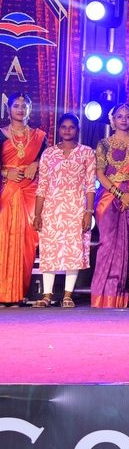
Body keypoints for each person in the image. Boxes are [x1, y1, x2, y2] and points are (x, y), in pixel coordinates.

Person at [32, 113, 95, 307]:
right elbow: (42, 186)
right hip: (51, 208)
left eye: (72, 127)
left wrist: (89, 212)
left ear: (77, 130)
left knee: (73, 250)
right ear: (58, 129)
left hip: (76, 208)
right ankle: (47, 296)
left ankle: (68, 295)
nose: (67, 130)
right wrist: (37, 214)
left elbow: (90, 185)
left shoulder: (86, 152)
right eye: (64, 127)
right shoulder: (49, 153)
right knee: (49, 250)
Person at [90, 103, 129, 308]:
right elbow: (100, 173)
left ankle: (120, 296)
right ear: (113, 120)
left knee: (127, 246)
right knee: (107, 244)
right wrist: (119, 194)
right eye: (120, 116)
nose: (124, 120)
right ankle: (102, 295)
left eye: (127, 116)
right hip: (108, 198)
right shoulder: (104, 144)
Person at [0, 93, 46, 305]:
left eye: (24, 106)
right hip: (6, 192)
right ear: (8, 109)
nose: (20, 109)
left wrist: (37, 163)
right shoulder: (1, 134)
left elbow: (50, 162)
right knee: (4, 239)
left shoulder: (39, 137)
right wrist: (5, 172)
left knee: (26, 242)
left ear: (30, 109)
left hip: (30, 193)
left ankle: (18, 292)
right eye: (16, 106)